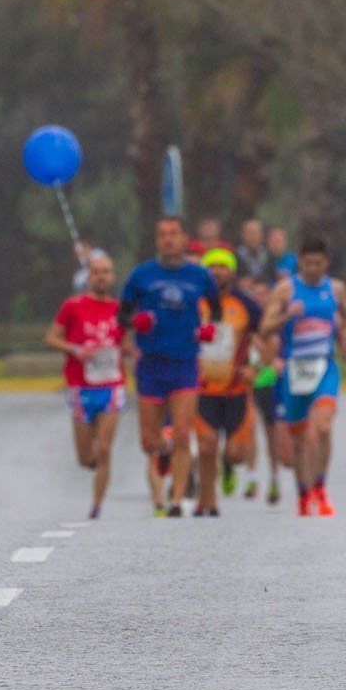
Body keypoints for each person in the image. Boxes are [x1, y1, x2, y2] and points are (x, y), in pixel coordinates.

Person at [121, 217, 222, 518]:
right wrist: (135, 322)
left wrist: (207, 329)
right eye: (162, 234)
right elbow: (121, 315)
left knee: (181, 433)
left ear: (184, 239)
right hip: (151, 365)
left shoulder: (199, 276)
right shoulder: (142, 276)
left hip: (184, 363)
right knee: (149, 441)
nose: (168, 240)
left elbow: (216, 310)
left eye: (173, 234)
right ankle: (162, 453)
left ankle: (176, 499)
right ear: (157, 241)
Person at [259, 236, 346, 517]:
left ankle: (321, 488)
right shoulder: (285, 289)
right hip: (294, 371)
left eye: (318, 263)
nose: (313, 268)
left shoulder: (336, 289)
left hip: (325, 366)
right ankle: (303, 494)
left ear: (326, 263)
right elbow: (265, 328)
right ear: (299, 262)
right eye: (307, 263)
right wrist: (285, 316)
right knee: (301, 441)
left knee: (323, 428)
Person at [46, 252, 127, 519]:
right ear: (88, 277)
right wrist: (74, 349)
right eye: (96, 271)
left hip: (112, 385)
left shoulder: (120, 310)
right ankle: (94, 464)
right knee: (86, 459)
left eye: (106, 271)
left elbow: (128, 343)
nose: (101, 276)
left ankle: (96, 505)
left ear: (112, 276)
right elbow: (51, 338)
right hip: (80, 386)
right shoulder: (73, 306)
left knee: (104, 448)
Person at [193, 249, 263, 517]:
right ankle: (207, 501)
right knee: (207, 444)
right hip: (203, 388)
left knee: (236, 454)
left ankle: (228, 465)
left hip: (236, 390)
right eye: (212, 267)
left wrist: (255, 367)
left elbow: (266, 337)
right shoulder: (195, 301)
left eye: (223, 266)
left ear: (232, 272)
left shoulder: (246, 303)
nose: (217, 271)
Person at [245, 279, 288, 505]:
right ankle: (251, 477)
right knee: (249, 429)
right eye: (256, 294)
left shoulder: (274, 325)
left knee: (271, 434)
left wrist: (269, 360)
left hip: (269, 384)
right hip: (250, 385)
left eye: (264, 294)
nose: (260, 298)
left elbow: (278, 349)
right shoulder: (247, 324)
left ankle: (274, 477)